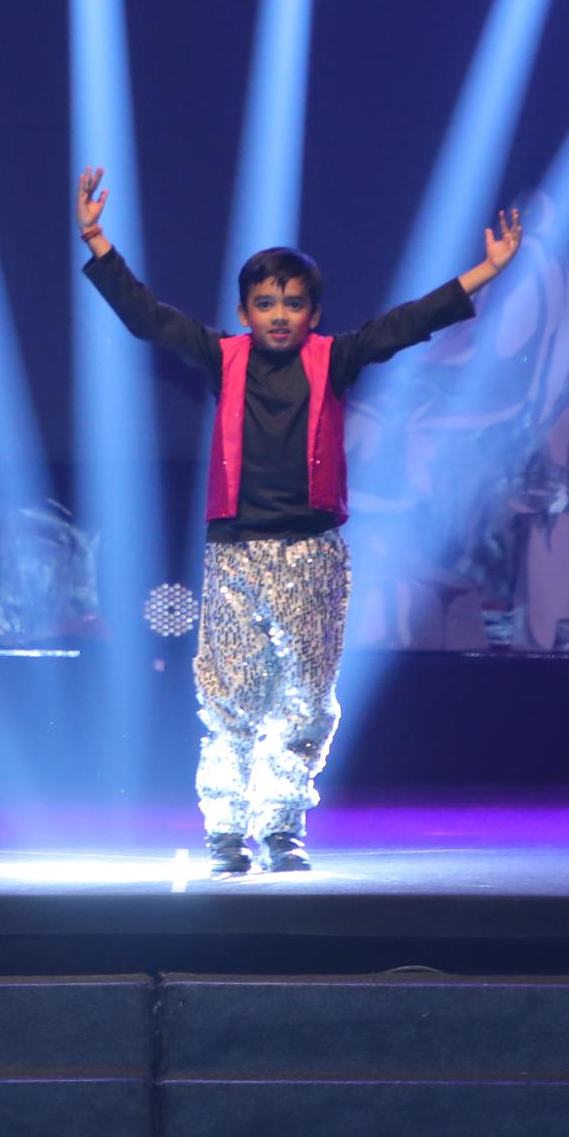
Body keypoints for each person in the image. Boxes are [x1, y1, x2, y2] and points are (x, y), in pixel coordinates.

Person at [76, 168, 518, 875]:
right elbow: (148, 317)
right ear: (244, 311)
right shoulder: (222, 357)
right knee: (230, 695)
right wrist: (99, 243)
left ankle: (281, 828)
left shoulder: (334, 357)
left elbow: (407, 322)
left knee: (305, 699)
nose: (278, 315)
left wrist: (485, 272)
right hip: (235, 552)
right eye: (265, 303)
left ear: (313, 313)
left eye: (292, 303)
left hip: (312, 554)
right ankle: (226, 832)